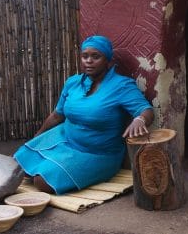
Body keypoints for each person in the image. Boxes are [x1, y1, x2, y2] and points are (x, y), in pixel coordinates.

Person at [14, 35, 154, 195]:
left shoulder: (121, 86)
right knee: (19, 167)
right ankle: (54, 162)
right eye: (85, 56)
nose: (89, 60)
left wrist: (140, 119)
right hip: (65, 139)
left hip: (98, 153)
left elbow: (146, 110)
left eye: (96, 56)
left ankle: (60, 167)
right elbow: (57, 115)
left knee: (42, 181)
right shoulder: (73, 82)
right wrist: (38, 136)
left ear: (107, 60)